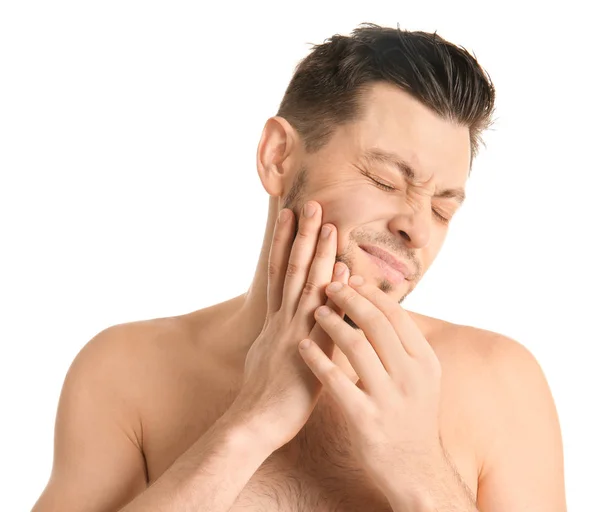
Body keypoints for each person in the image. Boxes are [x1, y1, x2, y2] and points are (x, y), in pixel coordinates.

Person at [32, 23, 566, 512]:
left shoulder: (501, 383)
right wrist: (251, 423)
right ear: (278, 157)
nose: (418, 229)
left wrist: (418, 469)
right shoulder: (126, 372)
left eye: (443, 206)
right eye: (385, 180)